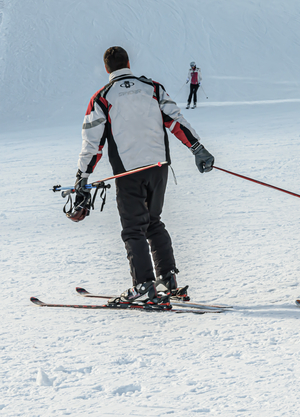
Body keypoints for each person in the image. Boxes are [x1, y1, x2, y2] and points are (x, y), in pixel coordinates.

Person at [73, 46, 215, 307]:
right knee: (153, 222)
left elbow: (92, 143)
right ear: (128, 62)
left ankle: (143, 286)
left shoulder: (102, 97)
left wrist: (81, 177)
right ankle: (167, 280)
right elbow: (175, 120)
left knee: (133, 229)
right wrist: (198, 149)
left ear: (107, 69)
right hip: (159, 167)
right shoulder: (153, 87)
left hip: (129, 172)